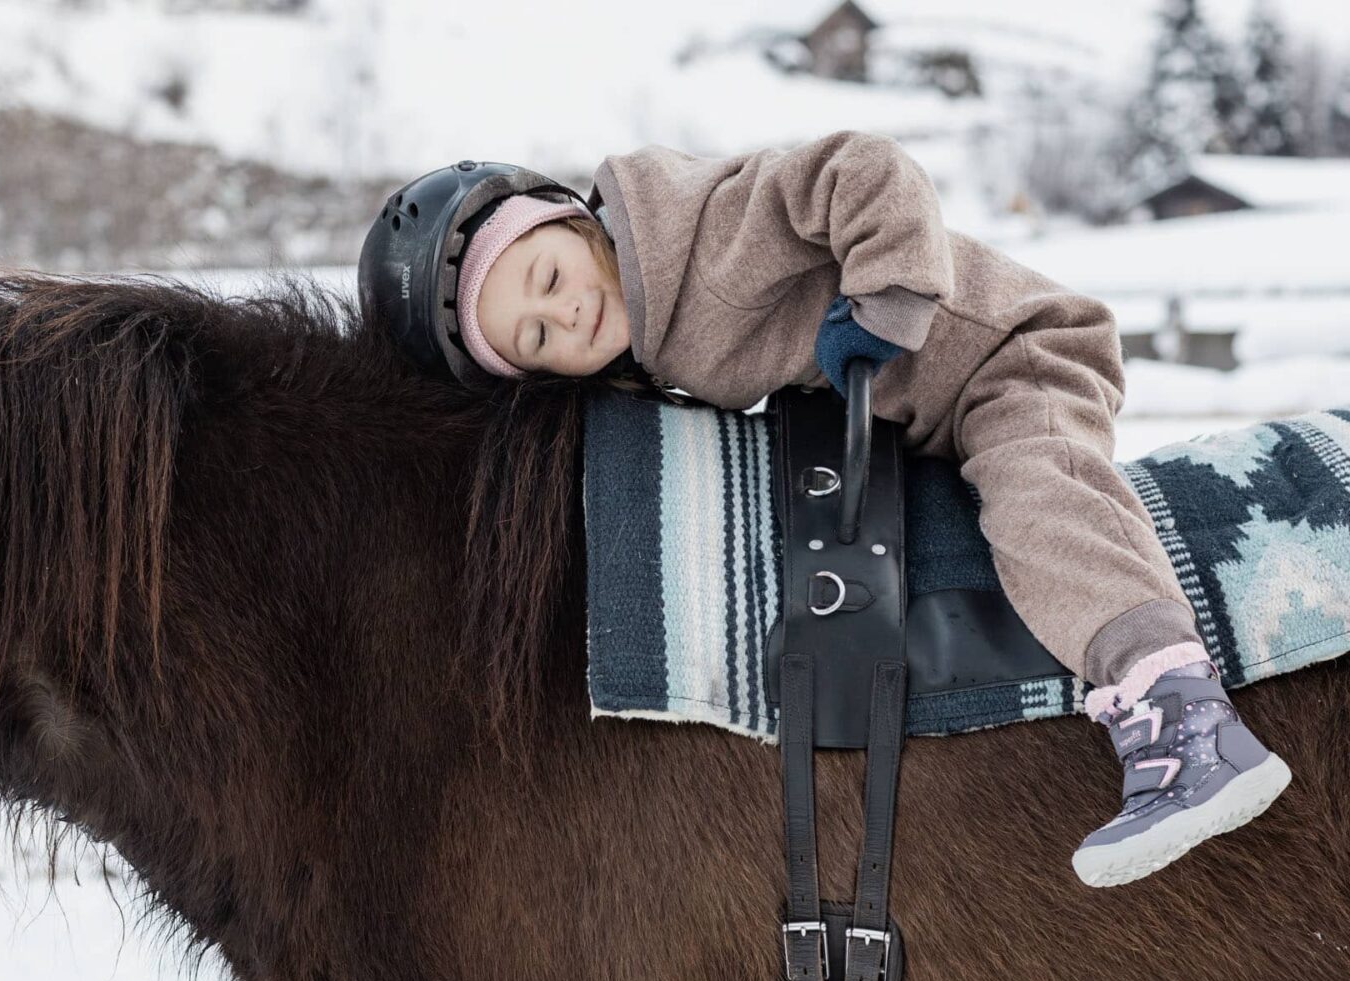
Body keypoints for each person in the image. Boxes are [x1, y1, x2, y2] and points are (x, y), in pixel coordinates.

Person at [356, 135, 1292, 888]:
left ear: (566, 219)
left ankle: (1182, 715)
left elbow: (868, 170)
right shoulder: (643, 330)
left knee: (1036, 503)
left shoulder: (701, 226)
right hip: (914, 415)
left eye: (551, 282)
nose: (569, 320)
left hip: (1009, 359)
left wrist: (883, 296)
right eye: (537, 339)